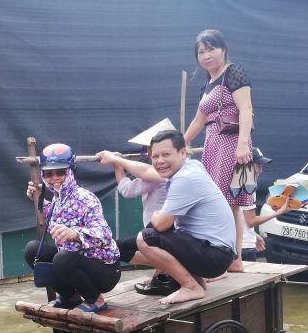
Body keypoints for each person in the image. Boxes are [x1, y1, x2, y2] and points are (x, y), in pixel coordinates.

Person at [98, 129, 235, 305]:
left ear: (183, 152)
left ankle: (190, 286)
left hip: (213, 255)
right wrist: (118, 161)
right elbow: (146, 172)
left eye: (166, 154)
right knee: (119, 247)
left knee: (146, 237)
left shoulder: (184, 178)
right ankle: (191, 280)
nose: (160, 161)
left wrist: (157, 215)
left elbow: (161, 225)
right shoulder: (191, 167)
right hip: (213, 252)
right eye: (155, 156)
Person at [183, 29, 255, 273]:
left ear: (223, 49)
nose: (206, 55)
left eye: (211, 48)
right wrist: (178, 145)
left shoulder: (233, 72)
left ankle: (233, 259)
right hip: (212, 144)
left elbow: (246, 109)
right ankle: (232, 259)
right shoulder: (206, 84)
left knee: (228, 203)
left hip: (231, 143)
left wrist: (242, 144)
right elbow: (197, 121)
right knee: (222, 203)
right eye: (201, 51)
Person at [24, 143, 121, 312]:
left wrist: (75, 233)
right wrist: (37, 197)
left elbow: (104, 235)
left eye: (60, 172)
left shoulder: (85, 198)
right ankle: (70, 297)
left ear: (70, 172)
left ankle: (95, 299)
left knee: (62, 258)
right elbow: (56, 215)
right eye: (48, 173)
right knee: (32, 250)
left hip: (104, 269)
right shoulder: (57, 198)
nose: (54, 178)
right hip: (75, 261)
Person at [109, 154, 176, 295]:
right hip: (172, 226)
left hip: (160, 227)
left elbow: (126, 190)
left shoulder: (157, 175)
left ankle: (167, 273)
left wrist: (117, 166)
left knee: (115, 247)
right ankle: (163, 273)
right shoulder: (179, 170)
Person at [240, 147, 290, 262]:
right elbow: (251, 221)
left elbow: (239, 218)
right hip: (244, 248)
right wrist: (278, 212)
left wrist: (253, 235)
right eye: (257, 165)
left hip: (235, 245)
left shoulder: (233, 183)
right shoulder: (248, 186)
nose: (260, 170)